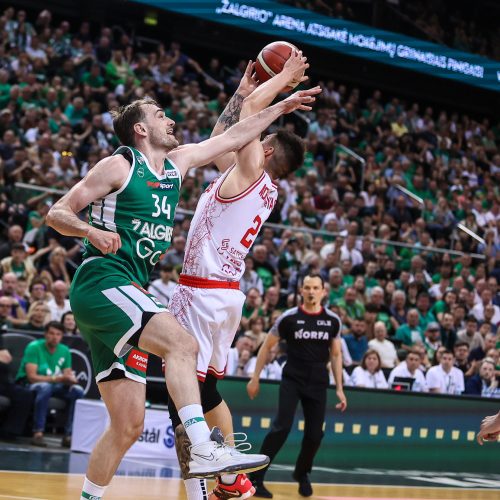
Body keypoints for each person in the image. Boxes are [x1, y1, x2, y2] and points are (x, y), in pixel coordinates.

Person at [46, 91, 316, 500]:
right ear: (141, 129)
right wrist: (90, 231)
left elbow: (233, 136)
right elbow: (58, 212)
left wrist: (272, 103)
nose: (169, 119)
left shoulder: (177, 164)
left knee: (128, 425)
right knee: (181, 345)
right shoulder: (119, 164)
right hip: (101, 280)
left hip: (128, 290)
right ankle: (206, 450)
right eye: (160, 115)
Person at [167, 54, 317, 500]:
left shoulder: (252, 171)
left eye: (259, 138)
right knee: (203, 394)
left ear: (265, 149)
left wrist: (283, 86)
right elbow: (222, 137)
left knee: (184, 399)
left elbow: (248, 122)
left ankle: (226, 478)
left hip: (202, 294)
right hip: (224, 295)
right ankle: (231, 480)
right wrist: (240, 92)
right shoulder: (250, 180)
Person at [246, 274, 346, 498]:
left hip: (319, 381)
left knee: (314, 435)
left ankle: (302, 473)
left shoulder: (333, 321)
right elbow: (266, 347)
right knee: (281, 427)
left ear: (323, 291)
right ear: (301, 291)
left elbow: (337, 355)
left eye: (316, 288)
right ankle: (257, 478)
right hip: (293, 378)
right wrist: (255, 377)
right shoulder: (288, 318)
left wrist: (339, 388)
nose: (311, 292)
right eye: (307, 288)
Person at [15, 321, 84, 447]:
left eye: (58, 334)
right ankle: (38, 432)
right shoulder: (34, 347)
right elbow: (32, 377)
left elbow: (67, 374)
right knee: (45, 387)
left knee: (77, 390)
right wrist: (58, 379)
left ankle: (68, 435)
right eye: (51, 333)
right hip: (29, 385)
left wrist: (70, 379)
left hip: (54, 385)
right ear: (45, 334)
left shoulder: (65, 350)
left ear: (62, 336)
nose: (55, 337)